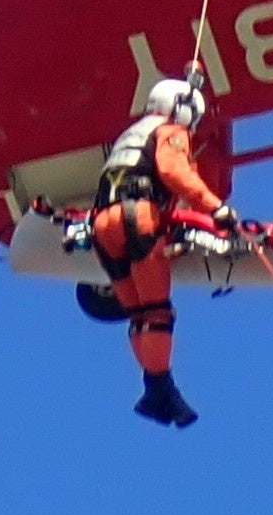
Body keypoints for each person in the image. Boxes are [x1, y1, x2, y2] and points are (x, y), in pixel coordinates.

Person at [89, 75, 239, 427]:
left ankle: (157, 389)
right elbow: (174, 171)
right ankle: (158, 388)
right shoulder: (170, 132)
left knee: (139, 315)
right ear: (180, 109)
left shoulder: (130, 136)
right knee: (157, 312)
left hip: (102, 226)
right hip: (137, 219)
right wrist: (215, 208)